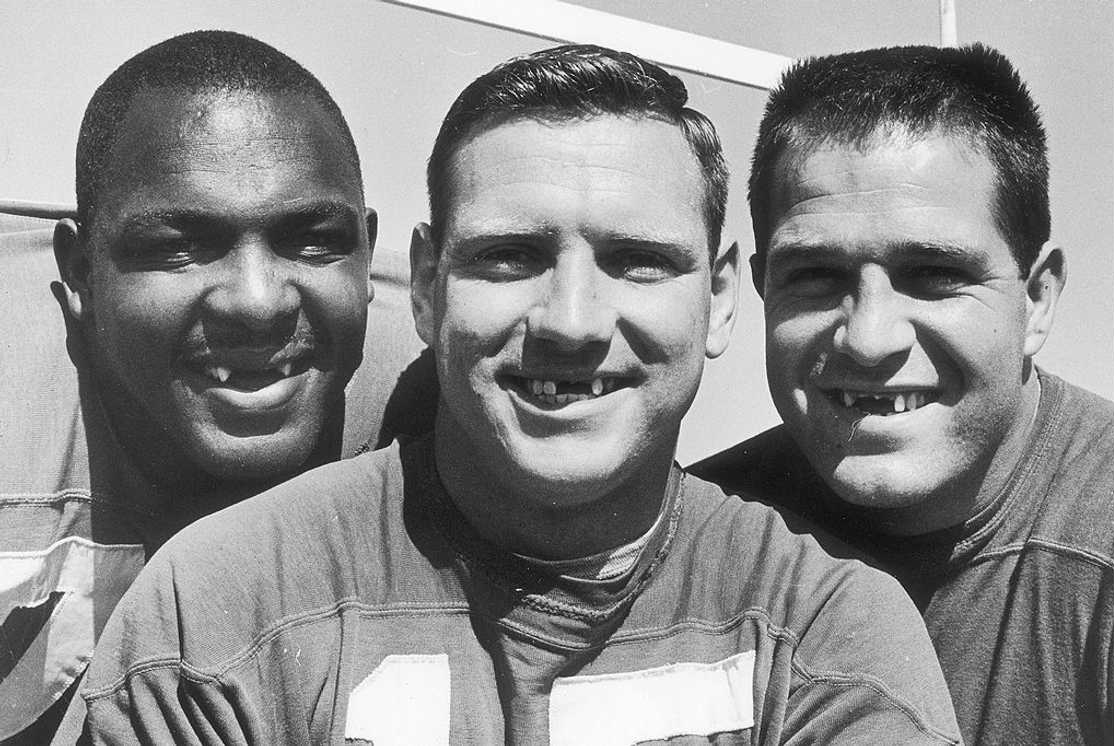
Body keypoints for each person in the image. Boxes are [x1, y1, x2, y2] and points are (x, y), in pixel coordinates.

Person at [81, 44, 962, 744]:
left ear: (723, 297)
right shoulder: (222, 608)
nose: (571, 322)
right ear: (425, 286)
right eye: (512, 256)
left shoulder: (827, 633)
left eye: (638, 261)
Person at [0, 30, 430, 743]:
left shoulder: (441, 380)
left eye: (313, 238)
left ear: (364, 245)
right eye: (178, 247)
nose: (258, 303)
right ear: (79, 273)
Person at [692, 44, 1114, 746]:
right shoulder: (696, 550)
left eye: (934, 273)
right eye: (817, 275)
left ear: (1037, 299)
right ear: (762, 288)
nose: (868, 338)